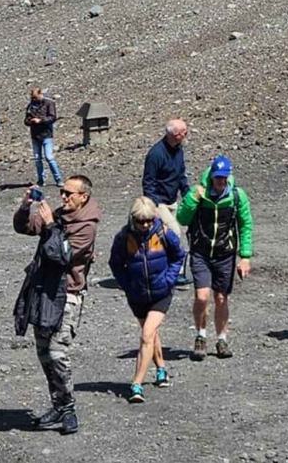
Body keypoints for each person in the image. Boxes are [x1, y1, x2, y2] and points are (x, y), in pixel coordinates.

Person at [14, 175, 101, 435]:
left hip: (68, 293)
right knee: (43, 352)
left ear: (83, 197)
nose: (63, 197)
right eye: (62, 192)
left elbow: (61, 256)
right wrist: (25, 207)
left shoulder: (87, 226)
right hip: (43, 290)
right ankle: (59, 405)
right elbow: (26, 227)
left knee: (57, 352)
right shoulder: (58, 214)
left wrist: (51, 226)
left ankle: (69, 408)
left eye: (69, 194)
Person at [108, 196, 185, 402]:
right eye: (140, 221)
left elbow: (179, 256)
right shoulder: (124, 237)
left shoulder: (164, 234)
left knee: (146, 335)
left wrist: (169, 280)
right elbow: (115, 263)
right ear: (133, 218)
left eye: (148, 220)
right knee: (150, 334)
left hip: (161, 293)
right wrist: (127, 284)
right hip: (137, 294)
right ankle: (161, 369)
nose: (144, 225)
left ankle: (136, 384)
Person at [176, 155, 253, 361]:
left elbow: (245, 225)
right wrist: (193, 200)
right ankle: (200, 336)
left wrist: (244, 256)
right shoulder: (198, 193)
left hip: (224, 254)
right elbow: (182, 218)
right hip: (201, 253)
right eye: (217, 177)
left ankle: (221, 339)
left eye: (223, 177)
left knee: (221, 298)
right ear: (211, 176)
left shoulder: (237, 196)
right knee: (202, 297)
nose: (220, 181)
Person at [142, 118, 192, 285]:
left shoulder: (178, 150)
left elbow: (181, 174)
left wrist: (188, 195)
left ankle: (161, 268)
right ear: (174, 135)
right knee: (175, 232)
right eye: (183, 133)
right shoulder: (156, 154)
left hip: (173, 201)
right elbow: (148, 182)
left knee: (166, 238)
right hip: (160, 202)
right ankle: (176, 272)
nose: (185, 136)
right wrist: (153, 205)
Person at [25, 86, 63, 187]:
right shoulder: (31, 105)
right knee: (37, 159)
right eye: (32, 97)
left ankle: (58, 179)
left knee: (49, 157)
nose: (33, 99)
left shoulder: (49, 103)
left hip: (47, 134)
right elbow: (26, 120)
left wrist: (40, 120)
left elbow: (53, 117)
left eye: (35, 97)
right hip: (35, 135)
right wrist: (30, 121)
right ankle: (41, 180)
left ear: (40, 94)